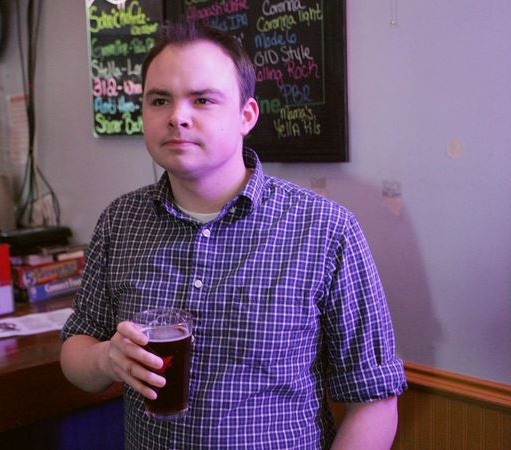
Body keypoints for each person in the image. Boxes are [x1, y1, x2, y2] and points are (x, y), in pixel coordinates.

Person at [60, 21, 407, 449]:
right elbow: (75, 347)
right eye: (159, 100)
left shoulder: (326, 229)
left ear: (247, 116)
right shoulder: (120, 221)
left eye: (202, 99)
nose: (177, 117)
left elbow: (374, 399)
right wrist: (104, 359)